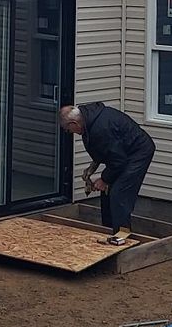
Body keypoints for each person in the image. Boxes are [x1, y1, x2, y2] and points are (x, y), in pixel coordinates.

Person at [59, 101, 156, 245]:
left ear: (74, 123)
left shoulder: (100, 128)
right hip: (123, 153)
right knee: (107, 191)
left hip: (138, 153)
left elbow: (118, 160)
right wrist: (92, 168)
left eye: (68, 130)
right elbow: (105, 150)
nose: (70, 133)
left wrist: (104, 179)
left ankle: (122, 236)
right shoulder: (88, 118)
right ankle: (109, 229)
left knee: (119, 193)